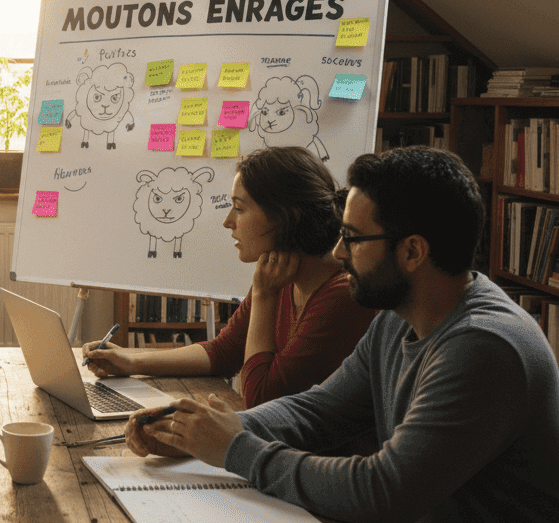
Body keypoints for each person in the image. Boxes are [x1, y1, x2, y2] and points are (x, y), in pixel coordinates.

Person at [127, 146, 559, 523]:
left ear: (413, 251)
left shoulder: (483, 346)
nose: (337, 253)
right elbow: (316, 411)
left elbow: (384, 492)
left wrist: (236, 449)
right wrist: (194, 432)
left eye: (352, 239)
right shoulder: (397, 321)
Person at [83, 146, 375, 408]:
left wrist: (263, 296)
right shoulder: (283, 276)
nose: (228, 222)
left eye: (239, 209)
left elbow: (259, 397)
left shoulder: (340, 296)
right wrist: (130, 360)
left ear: (288, 217)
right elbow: (224, 352)